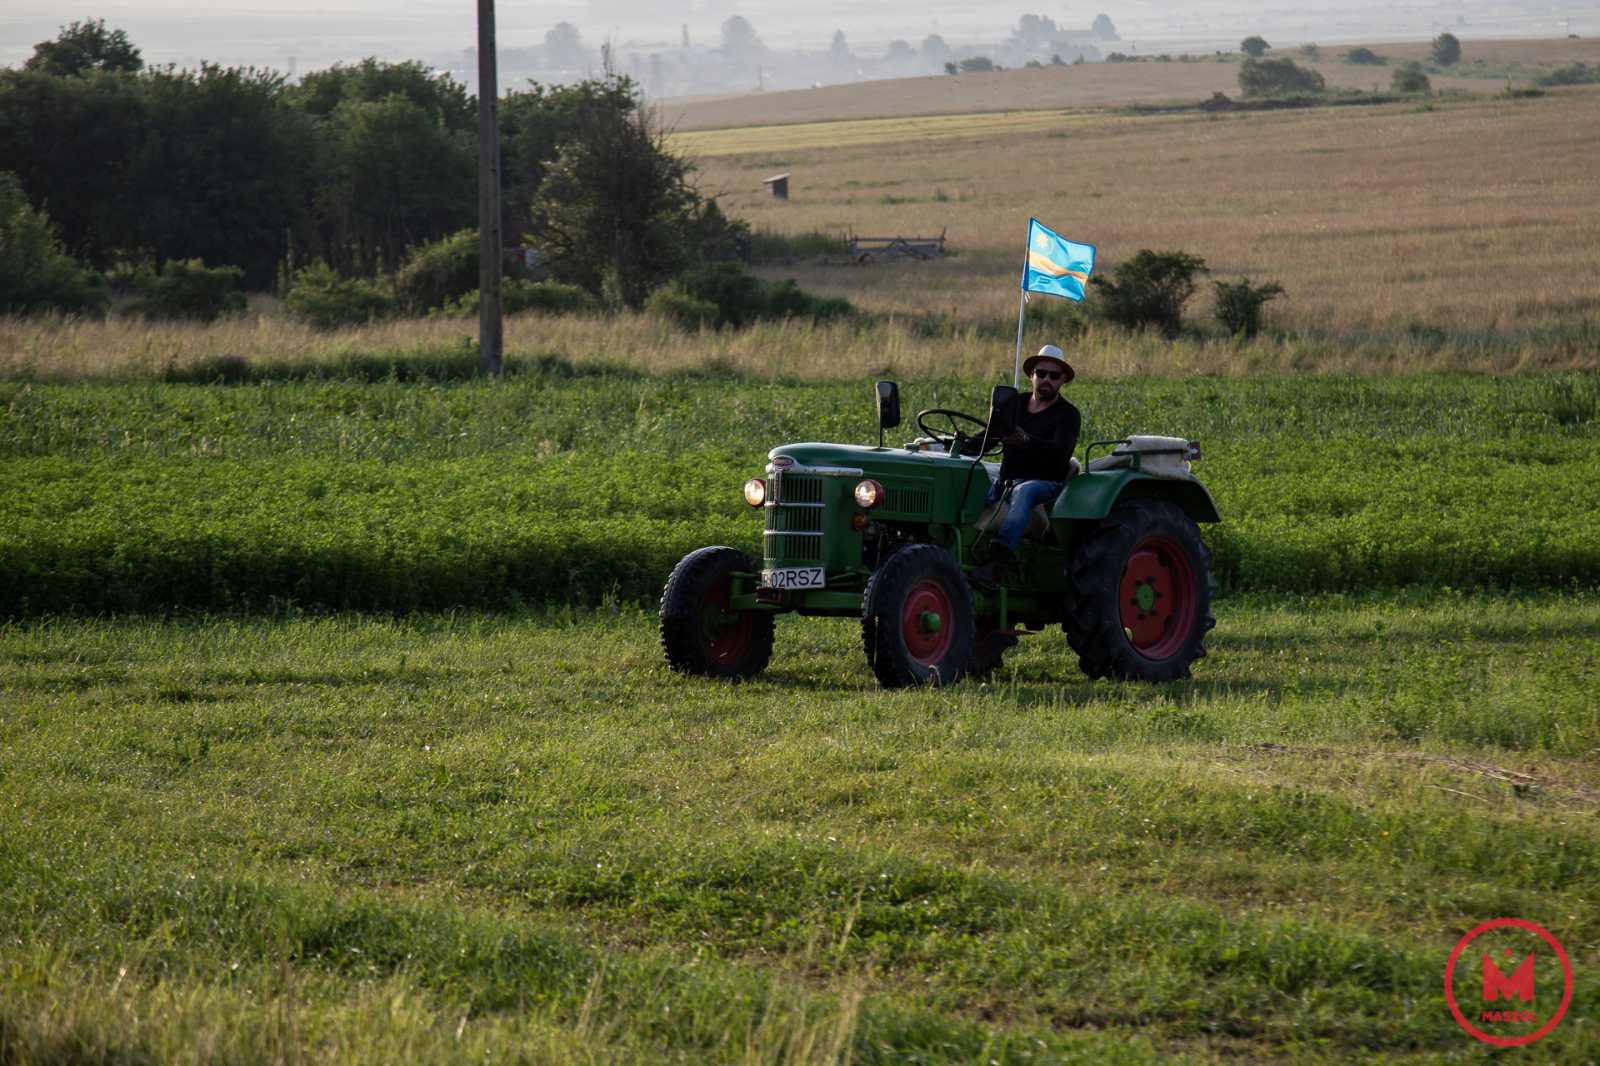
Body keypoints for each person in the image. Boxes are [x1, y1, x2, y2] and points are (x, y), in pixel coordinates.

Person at [968, 344, 1081, 586]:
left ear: (1063, 381)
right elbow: (988, 437)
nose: (1046, 380)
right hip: (1004, 481)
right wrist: (956, 445)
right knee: (966, 484)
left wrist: (1028, 440)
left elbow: (1061, 453)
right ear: (1032, 375)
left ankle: (997, 566)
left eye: (1054, 376)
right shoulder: (1014, 405)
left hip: (1045, 485)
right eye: (1041, 373)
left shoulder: (1068, 415)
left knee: (1025, 490)